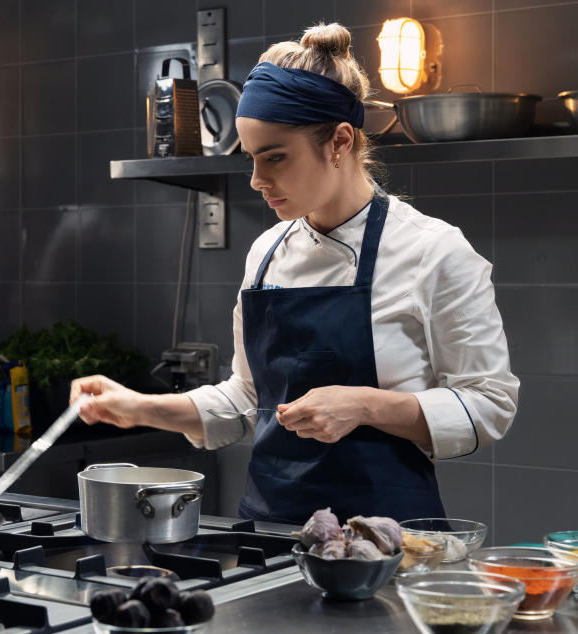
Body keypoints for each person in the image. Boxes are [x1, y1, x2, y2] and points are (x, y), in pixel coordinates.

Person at [70, 24, 519, 524]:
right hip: (271, 538)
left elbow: (489, 404)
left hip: (391, 546)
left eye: (275, 158)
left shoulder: (433, 251)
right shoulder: (266, 253)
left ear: (339, 142)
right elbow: (247, 399)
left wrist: (367, 406)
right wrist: (136, 408)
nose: (258, 181)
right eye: (251, 160)